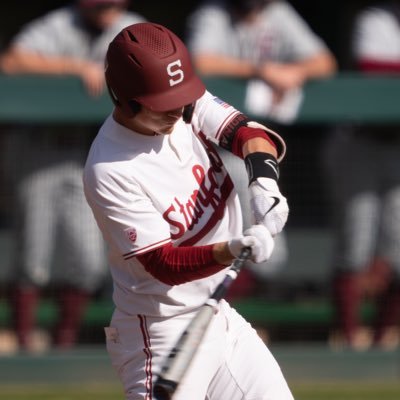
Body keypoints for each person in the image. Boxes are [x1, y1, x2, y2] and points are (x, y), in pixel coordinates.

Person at [83, 22, 293, 400]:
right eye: (162, 103)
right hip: (158, 332)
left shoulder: (183, 103)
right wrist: (234, 248)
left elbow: (245, 132)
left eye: (180, 98)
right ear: (123, 98)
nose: (177, 110)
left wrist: (264, 182)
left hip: (218, 316)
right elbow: (163, 263)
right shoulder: (110, 169)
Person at [0, 0, 145, 352]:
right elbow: (12, 61)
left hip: (93, 154)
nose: (104, 10)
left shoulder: (133, 28)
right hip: (42, 149)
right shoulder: (59, 24)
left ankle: (64, 346)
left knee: (86, 259)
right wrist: (76, 68)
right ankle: (25, 347)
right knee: (33, 256)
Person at [186, 0, 337, 302]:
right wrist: (262, 70)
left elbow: (325, 63)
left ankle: (257, 310)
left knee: (265, 235)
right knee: (224, 235)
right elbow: (201, 62)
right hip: (213, 145)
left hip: (256, 142)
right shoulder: (213, 14)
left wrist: (289, 71)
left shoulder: (278, 13)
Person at [323, 0, 400, 351]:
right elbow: (374, 68)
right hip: (360, 138)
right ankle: (349, 337)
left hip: (396, 145)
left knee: (398, 247)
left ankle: (386, 336)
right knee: (356, 241)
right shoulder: (377, 18)